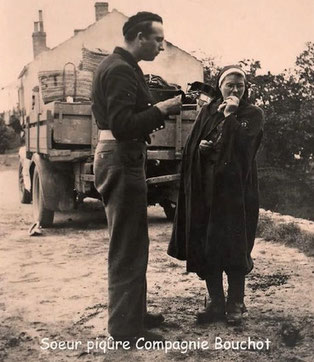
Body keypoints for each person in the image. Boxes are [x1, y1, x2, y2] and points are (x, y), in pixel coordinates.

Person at [92, 12, 181, 342]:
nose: (161, 45)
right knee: (128, 245)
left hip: (122, 156)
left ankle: (134, 313)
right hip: (121, 156)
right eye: (157, 39)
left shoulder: (123, 66)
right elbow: (123, 125)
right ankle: (125, 329)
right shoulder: (119, 70)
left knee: (133, 240)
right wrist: (162, 110)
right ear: (139, 37)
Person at [168, 65, 264, 325]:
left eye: (240, 85)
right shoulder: (207, 112)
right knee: (208, 243)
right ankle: (215, 302)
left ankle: (236, 302)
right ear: (220, 87)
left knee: (235, 244)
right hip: (208, 191)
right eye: (229, 85)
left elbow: (244, 147)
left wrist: (231, 116)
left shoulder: (252, 114)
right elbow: (192, 147)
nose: (235, 90)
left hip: (237, 193)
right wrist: (201, 147)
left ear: (246, 89)